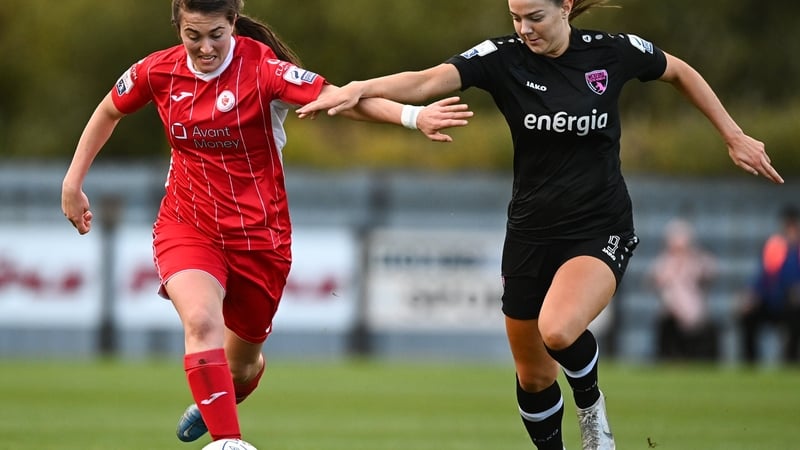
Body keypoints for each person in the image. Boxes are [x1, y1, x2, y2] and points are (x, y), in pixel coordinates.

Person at [297, 0, 784, 448]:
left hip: (600, 226)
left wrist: (732, 133)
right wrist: (362, 87)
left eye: (535, 17)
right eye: (515, 17)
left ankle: (593, 410)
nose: (523, 28)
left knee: (558, 330)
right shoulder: (504, 58)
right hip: (530, 234)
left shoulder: (611, 52)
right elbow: (426, 80)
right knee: (533, 376)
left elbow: (678, 70)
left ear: (565, 7)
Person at [60, 0, 472, 448]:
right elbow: (109, 110)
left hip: (260, 238)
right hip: (188, 223)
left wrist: (414, 116)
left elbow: (339, 99)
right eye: (192, 36)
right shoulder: (158, 72)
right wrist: (72, 182)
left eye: (215, 34)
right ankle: (227, 441)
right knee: (201, 322)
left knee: (241, 369)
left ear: (233, 23)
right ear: (178, 26)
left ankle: (221, 391)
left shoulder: (264, 70)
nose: (204, 48)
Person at [646, 219, 719, 361]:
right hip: (671, 312)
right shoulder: (665, 261)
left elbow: (710, 272)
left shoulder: (697, 259)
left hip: (694, 310)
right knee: (667, 319)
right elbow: (654, 281)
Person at [738, 205, 800, 365]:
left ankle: (790, 361)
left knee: (794, 315)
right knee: (748, 316)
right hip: (773, 301)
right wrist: (751, 295)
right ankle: (750, 363)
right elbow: (763, 277)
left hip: (792, 304)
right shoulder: (775, 247)